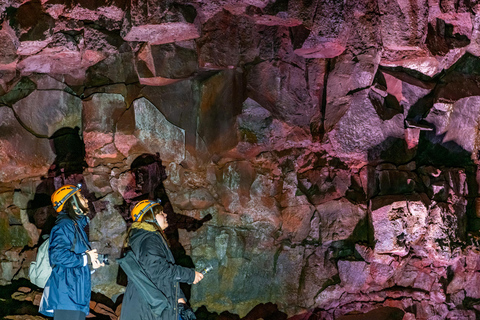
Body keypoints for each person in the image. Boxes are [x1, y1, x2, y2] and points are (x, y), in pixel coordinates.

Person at [120, 200, 203, 320]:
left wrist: (179, 299)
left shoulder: (147, 237)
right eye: (161, 213)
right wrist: (189, 275)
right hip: (147, 310)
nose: (165, 215)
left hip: (151, 306)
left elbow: (159, 276)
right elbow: (158, 270)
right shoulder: (148, 239)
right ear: (150, 217)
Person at [39, 184, 103, 320]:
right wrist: (85, 258)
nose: (86, 200)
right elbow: (57, 256)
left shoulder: (76, 226)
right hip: (67, 297)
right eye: (81, 197)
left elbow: (73, 261)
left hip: (75, 297)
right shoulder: (65, 225)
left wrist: (90, 265)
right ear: (71, 203)